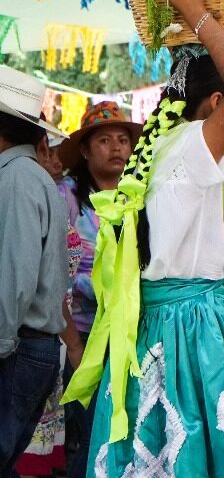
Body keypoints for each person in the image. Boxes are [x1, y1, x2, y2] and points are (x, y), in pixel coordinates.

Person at [61, 0, 224, 477]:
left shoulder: (156, 152)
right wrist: (196, 12)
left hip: (154, 326)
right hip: (194, 328)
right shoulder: (194, 145)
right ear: (215, 105)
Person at [51, 101, 141, 477]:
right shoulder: (67, 197)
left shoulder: (137, 196)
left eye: (123, 140)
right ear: (85, 151)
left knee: (119, 437)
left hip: (125, 339)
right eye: (104, 140)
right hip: (78, 336)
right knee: (85, 439)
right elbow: (53, 276)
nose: (117, 147)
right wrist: (73, 344)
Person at [0, 66, 70, 474]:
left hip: (18, 345)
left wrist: (2, 343)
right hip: (25, 343)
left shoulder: (17, 179)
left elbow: (14, 275)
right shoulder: (26, 176)